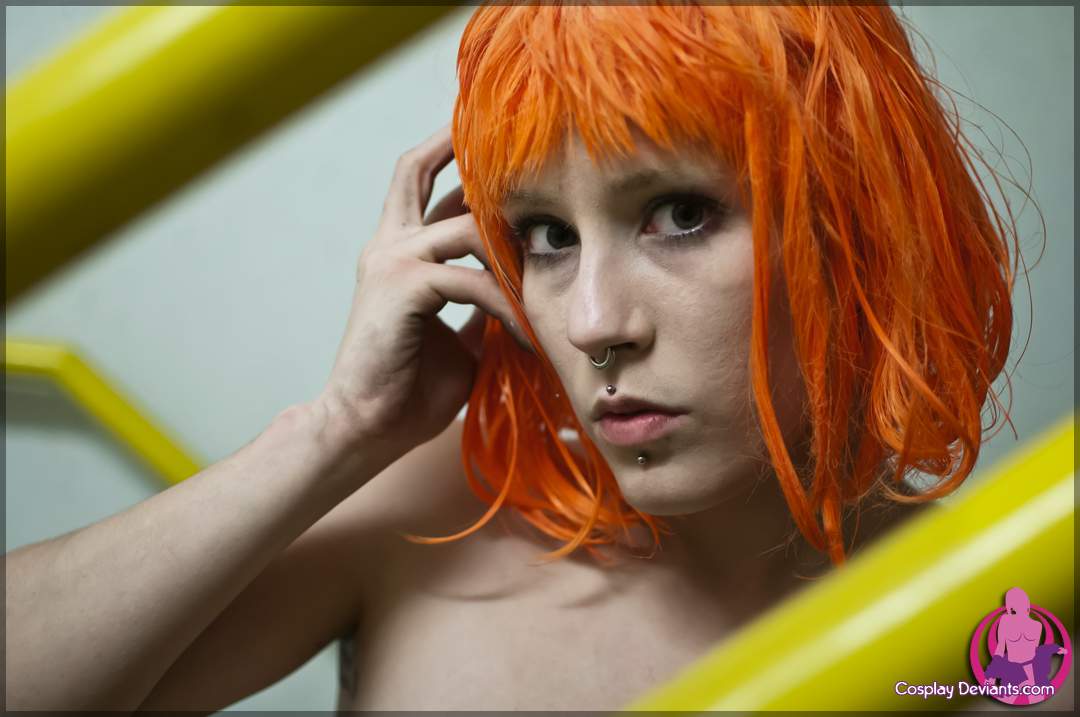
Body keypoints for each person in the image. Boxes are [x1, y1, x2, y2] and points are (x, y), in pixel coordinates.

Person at [6, 4, 1028, 712]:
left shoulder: (1001, 625)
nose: (591, 321)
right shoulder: (435, 517)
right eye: (545, 235)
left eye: (680, 213)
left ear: (856, 223)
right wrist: (333, 431)